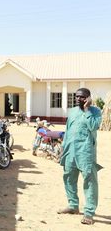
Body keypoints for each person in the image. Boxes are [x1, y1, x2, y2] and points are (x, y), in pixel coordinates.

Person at [57, 88, 102, 225]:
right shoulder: (72, 112)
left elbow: (93, 126)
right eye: (76, 96)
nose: (78, 99)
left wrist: (87, 110)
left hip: (86, 152)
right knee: (68, 178)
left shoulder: (95, 112)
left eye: (82, 97)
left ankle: (89, 213)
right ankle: (73, 205)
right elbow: (68, 130)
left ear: (88, 98)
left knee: (89, 181)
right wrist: (63, 148)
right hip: (70, 151)